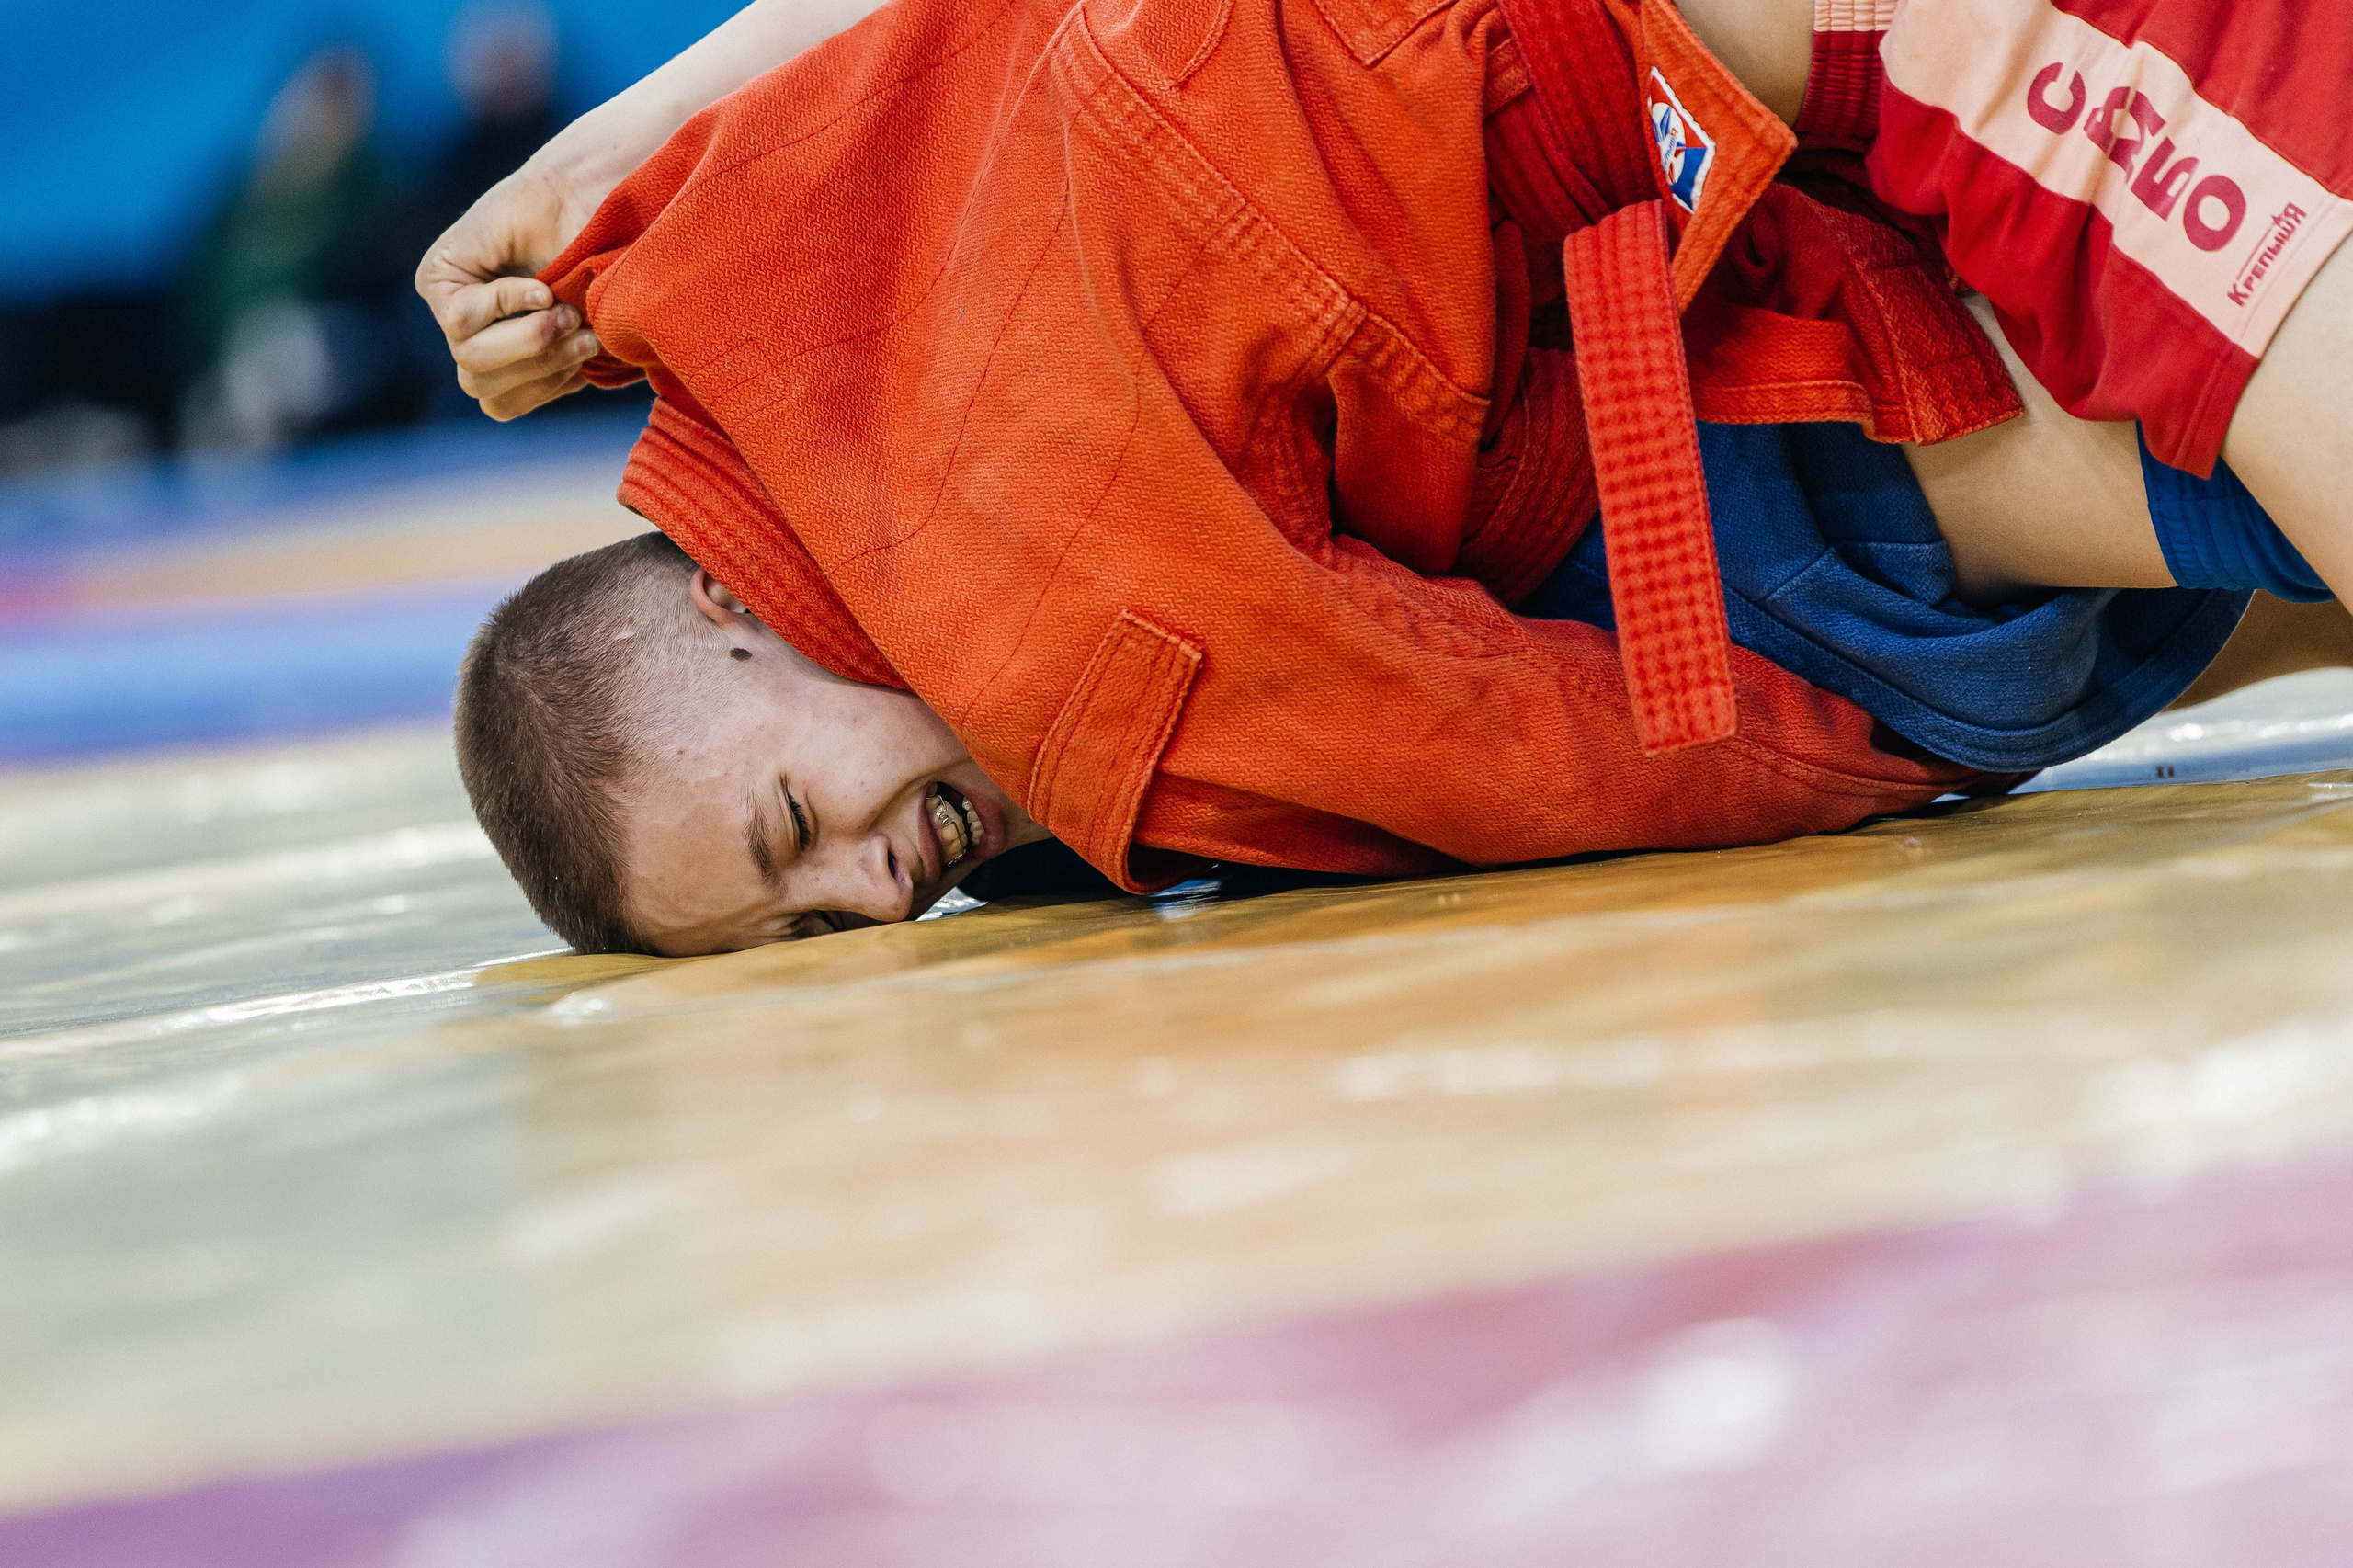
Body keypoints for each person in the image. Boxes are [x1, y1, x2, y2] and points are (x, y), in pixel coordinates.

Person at [424, 0, 2353, 954]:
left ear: (727, 610)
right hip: (1660, 244)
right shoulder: (785, 258)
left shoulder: (1037, 630)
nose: (876, 885)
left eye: (792, 830)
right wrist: (626, 158)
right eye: (823, 927)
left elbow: (1503, 745)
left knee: (1836, 573)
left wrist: (1849, 768)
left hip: (1710, 136)